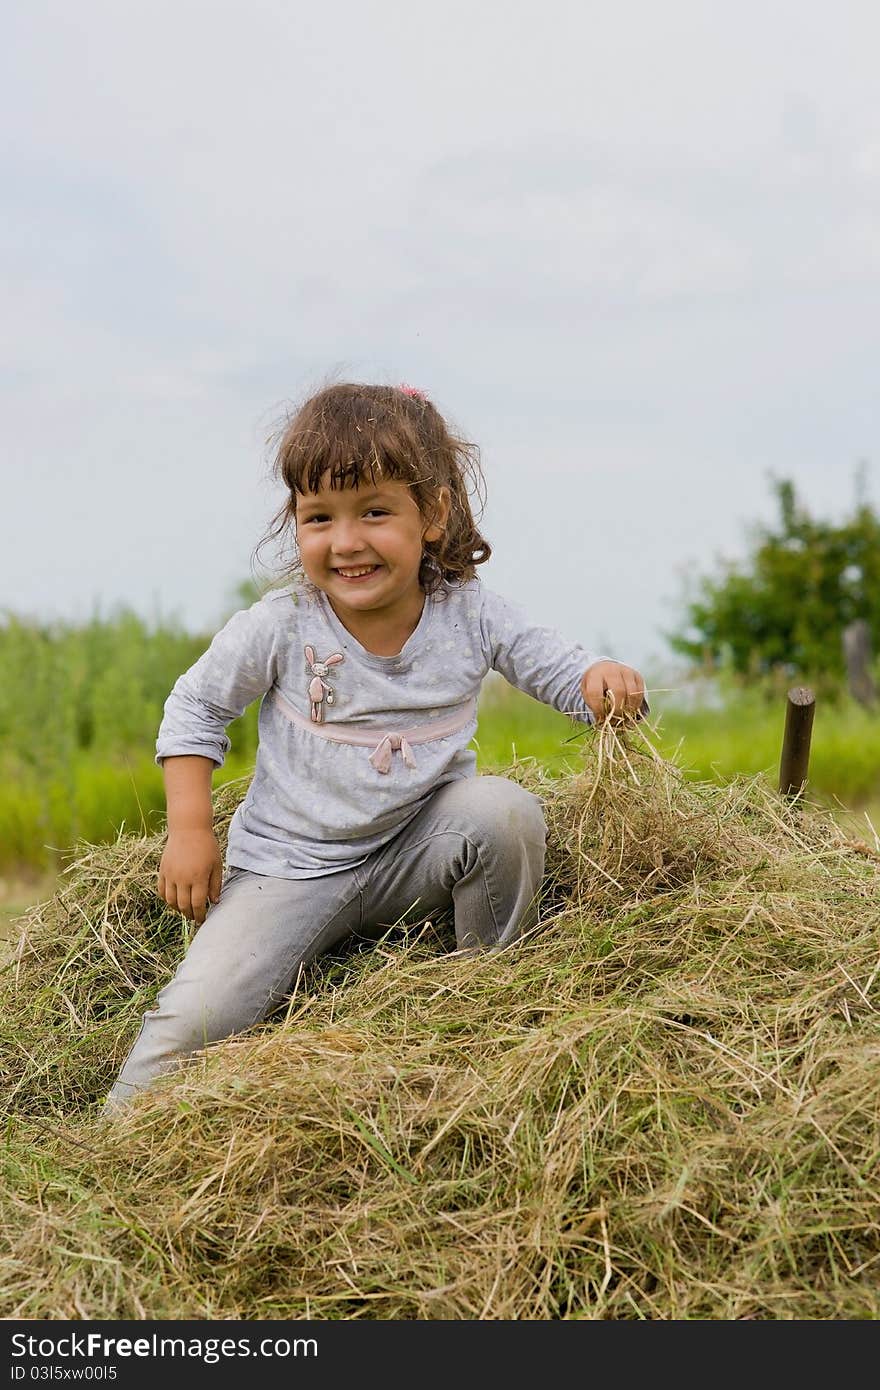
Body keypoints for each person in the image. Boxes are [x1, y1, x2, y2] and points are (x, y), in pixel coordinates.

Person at [104, 382, 646, 1110]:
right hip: (287, 873)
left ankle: (488, 996)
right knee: (193, 1022)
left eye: (375, 511)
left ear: (434, 515)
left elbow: (555, 665)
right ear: (295, 523)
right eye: (319, 516)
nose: (347, 541)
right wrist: (191, 830)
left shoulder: (471, 614)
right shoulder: (283, 625)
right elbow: (196, 706)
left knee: (503, 811)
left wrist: (598, 681)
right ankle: (114, 1139)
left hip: (418, 852)